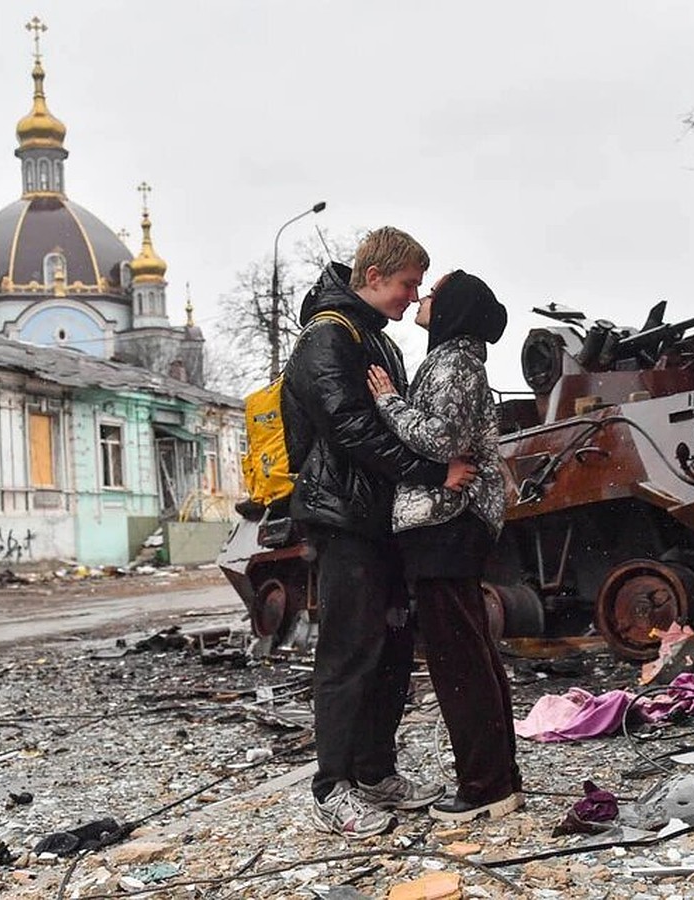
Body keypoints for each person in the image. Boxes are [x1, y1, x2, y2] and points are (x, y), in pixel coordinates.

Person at [281, 227, 478, 839]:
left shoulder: (377, 342)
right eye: (407, 285)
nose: (411, 296)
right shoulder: (327, 338)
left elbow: (398, 423)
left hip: (382, 517)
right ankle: (331, 786)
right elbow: (352, 431)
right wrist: (433, 473)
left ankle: (374, 771)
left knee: (390, 649)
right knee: (348, 652)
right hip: (344, 518)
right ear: (373, 278)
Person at [366, 269, 523, 823]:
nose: (423, 298)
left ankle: (485, 787)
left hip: (447, 521)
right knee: (472, 653)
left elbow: (444, 440)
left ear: (454, 309)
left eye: (435, 293)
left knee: (458, 660)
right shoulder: (455, 360)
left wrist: (388, 402)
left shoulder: (454, 362)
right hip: (451, 523)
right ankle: (499, 778)